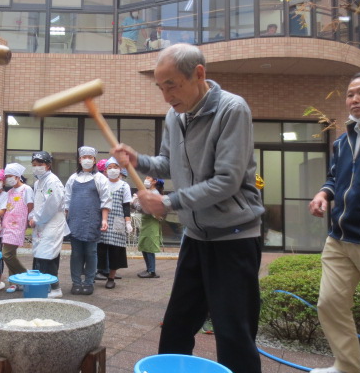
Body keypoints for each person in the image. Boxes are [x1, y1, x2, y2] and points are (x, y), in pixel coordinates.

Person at [113, 43, 264, 373]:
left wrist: (167, 203)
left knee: (233, 333)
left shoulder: (232, 110)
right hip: (196, 237)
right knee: (177, 327)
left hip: (234, 237)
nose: (166, 96)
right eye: (160, 86)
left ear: (199, 74)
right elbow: (168, 163)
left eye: (172, 84)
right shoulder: (175, 115)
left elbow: (226, 181)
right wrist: (141, 161)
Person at [308, 70, 360, 373]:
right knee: (329, 304)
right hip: (339, 238)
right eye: (350, 94)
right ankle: (347, 366)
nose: (354, 99)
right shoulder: (342, 140)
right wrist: (324, 193)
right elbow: (335, 177)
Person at [65, 146, 111, 296]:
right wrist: (65, 220)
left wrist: (104, 219)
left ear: (94, 160)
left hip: (93, 221)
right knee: (76, 253)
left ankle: (89, 282)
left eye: (89, 157)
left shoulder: (100, 178)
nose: (86, 160)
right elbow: (66, 200)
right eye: (84, 157)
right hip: (75, 221)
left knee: (91, 252)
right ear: (79, 160)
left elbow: (106, 200)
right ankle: (76, 282)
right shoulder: (72, 178)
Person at [28, 151, 69, 299]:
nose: (37, 167)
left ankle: (54, 288)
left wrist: (36, 218)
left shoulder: (53, 181)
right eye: (34, 165)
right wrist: (32, 216)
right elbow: (37, 203)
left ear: (48, 165)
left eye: (40, 164)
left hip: (52, 222)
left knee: (48, 255)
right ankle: (43, 285)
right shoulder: (39, 181)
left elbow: (51, 204)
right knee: (40, 255)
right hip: (42, 223)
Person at [97, 157, 132, 290]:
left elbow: (126, 206)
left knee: (115, 250)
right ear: (105, 170)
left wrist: (127, 222)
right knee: (101, 248)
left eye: (115, 167)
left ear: (120, 169)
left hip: (118, 220)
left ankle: (111, 277)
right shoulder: (102, 183)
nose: (112, 170)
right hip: (103, 219)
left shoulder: (124, 186)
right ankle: (99, 272)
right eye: (110, 167)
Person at [1, 162, 34, 293]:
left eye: (10, 176)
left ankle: (24, 275)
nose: (8, 178)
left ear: (17, 176)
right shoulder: (9, 192)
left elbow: (30, 206)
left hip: (18, 225)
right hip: (7, 224)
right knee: (11, 254)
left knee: (6, 254)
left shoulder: (26, 189)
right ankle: (14, 282)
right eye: (6, 176)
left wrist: (28, 220)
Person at [134, 177, 164, 279]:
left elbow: (147, 209)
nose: (145, 179)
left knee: (149, 246)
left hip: (151, 222)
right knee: (145, 246)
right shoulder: (149, 192)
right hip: (146, 222)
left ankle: (152, 271)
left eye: (148, 178)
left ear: (154, 181)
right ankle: (148, 269)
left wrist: (135, 203)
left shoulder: (154, 194)